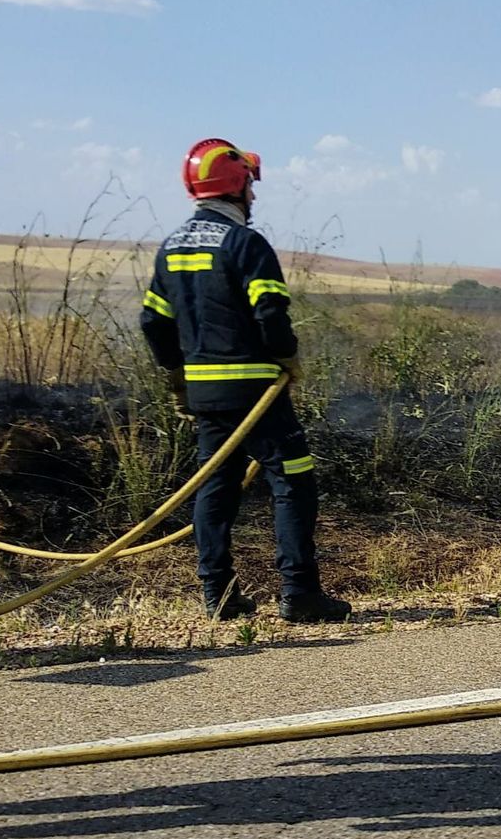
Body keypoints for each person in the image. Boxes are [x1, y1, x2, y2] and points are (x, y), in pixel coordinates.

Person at [140, 138, 351, 624]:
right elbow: (271, 311)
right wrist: (286, 357)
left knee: (216, 487)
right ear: (237, 187)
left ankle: (219, 596)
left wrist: (177, 374)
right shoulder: (245, 243)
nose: (253, 196)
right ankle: (299, 593)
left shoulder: (170, 248)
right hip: (256, 391)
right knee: (294, 481)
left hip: (205, 396)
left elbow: (153, 322)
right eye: (250, 186)